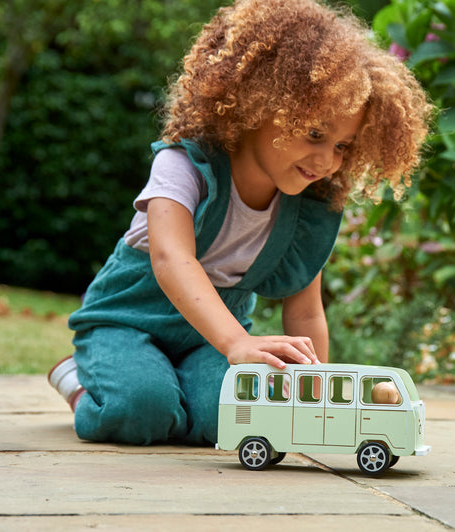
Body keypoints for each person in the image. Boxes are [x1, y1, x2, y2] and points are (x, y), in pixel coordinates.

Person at [48, 0, 431, 446]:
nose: (327, 161)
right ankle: (78, 384)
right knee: (141, 410)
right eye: (314, 134)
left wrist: (318, 406)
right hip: (126, 323)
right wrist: (235, 344)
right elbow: (172, 258)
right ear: (259, 104)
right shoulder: (184, 165)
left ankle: (175, 391)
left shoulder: (310, 204)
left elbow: (304, 310)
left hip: (209, 342)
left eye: (343, 146)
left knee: (236, 421)